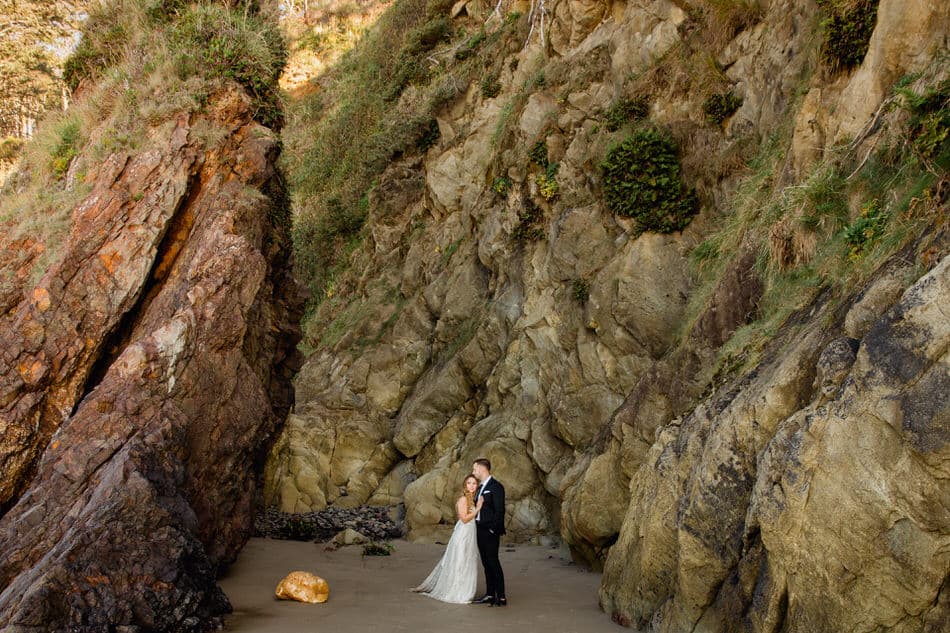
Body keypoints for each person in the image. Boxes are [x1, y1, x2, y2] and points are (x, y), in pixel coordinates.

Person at [412, 475, 484, 603]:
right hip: (463, 534)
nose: (472, 485)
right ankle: (456, 592)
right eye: (469, 483)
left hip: (470, 534)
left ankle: (464, 590)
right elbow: (464, 518)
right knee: (460, 561)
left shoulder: (472, 499)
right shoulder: (463, 499)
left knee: (468, 561)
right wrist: (478, 508)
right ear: (465, 485)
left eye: (474, 483)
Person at [471, 458, 506, 607]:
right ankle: (490, 594)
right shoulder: (480, 487)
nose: (473, 472)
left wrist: (493, 529)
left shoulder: (496, 486)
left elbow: (500, 511)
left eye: (474, 469)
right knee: (486, 563)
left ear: (482, 469)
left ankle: (502, 596)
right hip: (479, 530)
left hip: (490, 531)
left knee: (493, 562)